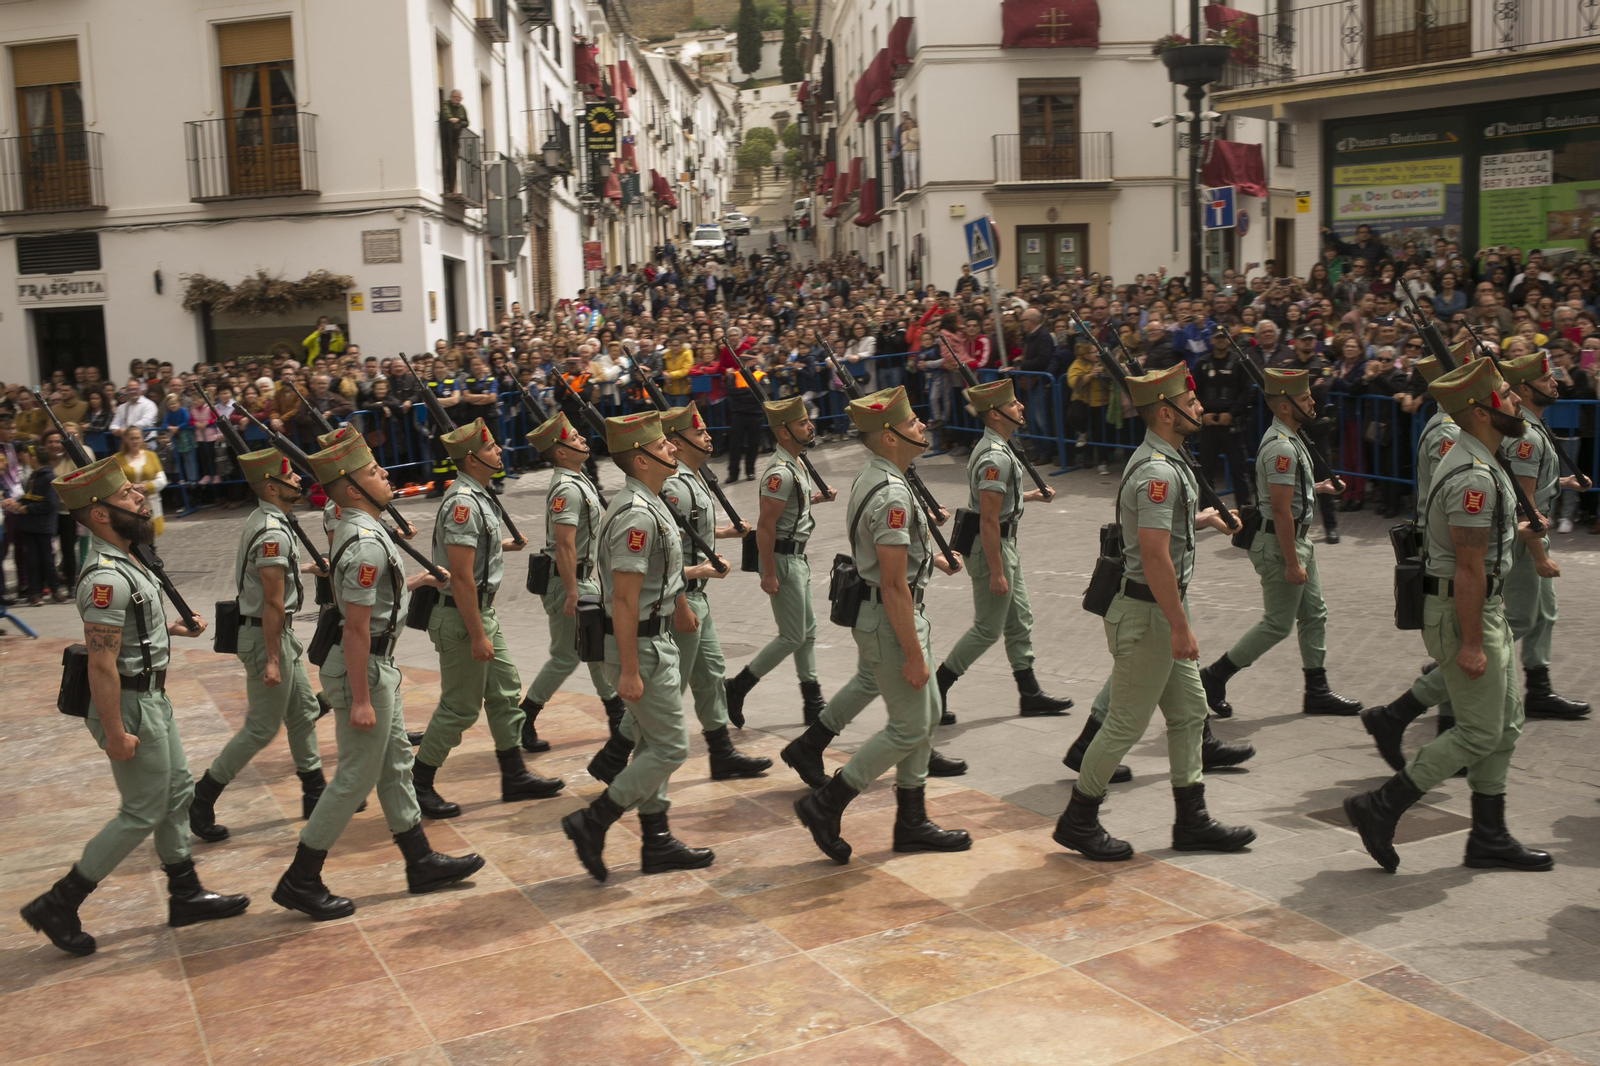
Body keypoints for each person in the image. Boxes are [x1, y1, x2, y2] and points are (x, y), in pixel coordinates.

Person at [21, 458, 246, 956]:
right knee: (141, 809)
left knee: (174, 792)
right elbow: (101, 663)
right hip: (127, 703)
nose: (139, 497)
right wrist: (115, 730)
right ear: (99, 514)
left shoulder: (129, 560)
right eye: (125, 495)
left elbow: (130, 631)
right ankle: (59, 901)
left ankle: (184, 893)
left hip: (150, 695)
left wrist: (170, 630)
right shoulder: (104, 577)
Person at [1342, 358, 1553, 874]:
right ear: (1481, 411)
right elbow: (1467, 566)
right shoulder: (1471, 476)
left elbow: (1479, 552)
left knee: (1504, 724)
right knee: (1479, 731)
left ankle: (1488, 835)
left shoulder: (1483, 459)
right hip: (1466, 610)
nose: (1516, 399)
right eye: (1505, 393)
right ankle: (1379, 807)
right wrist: (1473, 642)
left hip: (1484, 603)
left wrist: (1521, 535)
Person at [271, 434, 481, 920]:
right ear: (348, 488)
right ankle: (301, 878)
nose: (385, 475)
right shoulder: (365, 541)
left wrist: (416, 581)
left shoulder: (360, 529)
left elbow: (366, 598)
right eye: (372, 472)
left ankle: (420, 860)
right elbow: (356, 627)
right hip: (364, 670)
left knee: (393, 769)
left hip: (375, 666)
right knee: (352, 778)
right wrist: (362, 699)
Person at [1052, 363, 1257, 862]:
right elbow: (1152, 554)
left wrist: (1202, 519)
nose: (1200, 409)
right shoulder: (1159, 471)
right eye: (1190, 404)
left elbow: (1163, 535)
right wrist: (1181, 627)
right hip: (1149, 615)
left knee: (1188, 714)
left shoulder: (1168, 459)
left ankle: (1192, 821)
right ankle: (1079, 819)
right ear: (1166, 413)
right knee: (1125, 721)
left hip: (1156, 608)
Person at [791, 387, 970, 863]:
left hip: (895, 610)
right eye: (912, 424)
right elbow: (891, 585)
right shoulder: (892, 492)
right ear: (888, 437)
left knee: (925, 714)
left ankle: (912, 820)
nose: (922, 427)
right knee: (909, 726)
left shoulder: (880, 475)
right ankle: (825, 803)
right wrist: (912, 653)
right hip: (893, 618)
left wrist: (930, 559)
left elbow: (888, 559)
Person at [560, 411, 713, 883]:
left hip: (656, 634)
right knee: (671, 748)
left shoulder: (649, 502)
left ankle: (657, 840)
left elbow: (655, 577)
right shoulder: (636, 515)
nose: (671, 447)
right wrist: (628, 668)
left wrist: (680, 602)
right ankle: (594, 819)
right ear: (641, 460)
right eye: (662, 445)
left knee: (650, 743)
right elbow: (624, 599)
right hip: (640, 646)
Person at [588, 402, 770, 781]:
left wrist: (720, 536)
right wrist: (685, 596)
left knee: (710, 674)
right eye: (698, 432)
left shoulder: (684, 481)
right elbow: (657, 567)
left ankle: (720, 752)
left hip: (690, 596)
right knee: (667, 692)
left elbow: (681, 538)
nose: (706, 437)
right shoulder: (663, 490)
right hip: (674, 604)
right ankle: (616, 756)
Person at [412, 419, 564, 820]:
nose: (500, 451)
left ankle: (513, 775)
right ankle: (418, 783)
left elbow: (470, 561)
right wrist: (478, 635)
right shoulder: (462, 501)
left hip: (478, 612)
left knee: (502, 694)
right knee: (460, 707)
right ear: (471, 458)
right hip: (463, 617)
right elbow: (459, 576)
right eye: (493, 447)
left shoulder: (478, 495)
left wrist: (503, 547)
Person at [1198, 369, 1362, 720]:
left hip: (1296, 540)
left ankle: (1316, 690)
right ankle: (1213, 677)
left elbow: (1290, 494)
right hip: (1280, 543)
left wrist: (1319, 489)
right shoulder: (1281, 448)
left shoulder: (1292, 437)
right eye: (1304, 399)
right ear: (1285, 406)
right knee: (1277, 624)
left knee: (1315, 613)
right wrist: (1291, 562)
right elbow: (1280, 508)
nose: (1312, 401)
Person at [186, 448, 328, 843]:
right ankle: (203, 796)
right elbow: (271, 601)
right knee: (261, 728)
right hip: (267, 634)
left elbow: (273, 581)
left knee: (302, 713)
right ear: (271, 486)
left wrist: (309, 568)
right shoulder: (272, 531)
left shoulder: (267, 519)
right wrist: (271, 659)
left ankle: (314, 793)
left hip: (272, 632)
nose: (298, 480)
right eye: (290, 477)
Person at [933, 379, 1071, 723]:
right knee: (987, 629)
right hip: (991, 547)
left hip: (1004, 543)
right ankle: (937, 689)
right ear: (995, 414)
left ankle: (1030, 693)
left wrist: (1032, 497)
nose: (1020, 407)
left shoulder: (1000, 447)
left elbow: (996, 504)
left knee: (1019, 620)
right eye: (1012, 404)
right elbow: (988, 519)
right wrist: (996, 571)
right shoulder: (995, 456)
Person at [723, 395, 836, 728]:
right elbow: (766, 526)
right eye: (802, 423)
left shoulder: (797, 463)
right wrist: (768, 572)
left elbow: (789, 509)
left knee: (808, 632)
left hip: (797, 557)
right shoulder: (779, 473)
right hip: (782, 561)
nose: (810, 425)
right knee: (792, 635)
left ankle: (812, 703)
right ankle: (738, 686)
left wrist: (814, 498)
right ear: (784, 432)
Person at [519, 411, 627, 750]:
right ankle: (525, 718)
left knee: (595, 649)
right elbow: (565, 544)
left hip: (579, 579)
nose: (583, 440)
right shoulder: (567, 487)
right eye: (575, 438)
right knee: (567, 655)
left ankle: (617, 717)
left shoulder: (579, 480)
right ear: (561, 452)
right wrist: (570, 592)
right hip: (567, 581)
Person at [1496, 352, 1588, 718]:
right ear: (1523, 388)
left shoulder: (1535, 428)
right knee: (1521, 618)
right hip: (1525, 536)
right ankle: (1447, 674)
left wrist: (1563, 481)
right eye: (1547, 379)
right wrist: (1540, 556)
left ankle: (1539, 689)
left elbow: (1531, 486)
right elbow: (1523, 503)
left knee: (1544, 614)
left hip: (1535, 530)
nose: (1555, 383)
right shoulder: (1526, 438)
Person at [1193, 330, 1255, 508]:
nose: (1221, 340)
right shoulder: (1202, 363)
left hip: (1232, 424)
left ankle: (1246, 511)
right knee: (1206, 471)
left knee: (1239, 471)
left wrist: (1232, 414)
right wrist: (1202, 414)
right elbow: (1194, 392)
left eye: (1224, 337)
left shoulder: (1238, 362)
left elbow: (1247, 392)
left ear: (1229, 340)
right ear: (1212, 340)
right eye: (1217, 337)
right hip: (1208, 424)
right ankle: (1206, 511)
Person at [114, 426, 167, 536]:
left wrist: (147, 486)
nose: (135, 441)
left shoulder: (151, 456)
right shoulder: (116, 459)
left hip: (151, 503)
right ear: (125, 440)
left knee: (150, 537)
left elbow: (162, 480)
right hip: (130, 504)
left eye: (137, 438)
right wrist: (131, 487)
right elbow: (114, 482)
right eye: (131, 438)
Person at [723, 348, 766, 483]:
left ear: (754, 361)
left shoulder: (761, 375)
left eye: (747, 360)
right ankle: (733, 473)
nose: (744, 362)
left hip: (755, 414)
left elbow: (761, 393)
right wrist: (749, 391)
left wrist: (742, 393)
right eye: (743, 360)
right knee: (735, 445)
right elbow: (731, 391)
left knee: (753, 445)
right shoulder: (735, 375)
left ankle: (750, 471)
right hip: (738, 414)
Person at [440, 89, 469, 194]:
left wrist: (459, 122)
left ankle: (452, 187)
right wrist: (451, 118)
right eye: (455, 97)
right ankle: (446, 186)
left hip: (455, 139)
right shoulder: (446, 104)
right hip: (445, 137)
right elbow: (445, 113)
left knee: (453, 161)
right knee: (447, 160)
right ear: (451, 97)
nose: (457, 99)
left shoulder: (462, 108)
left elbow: (466, 122)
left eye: (459, 98)